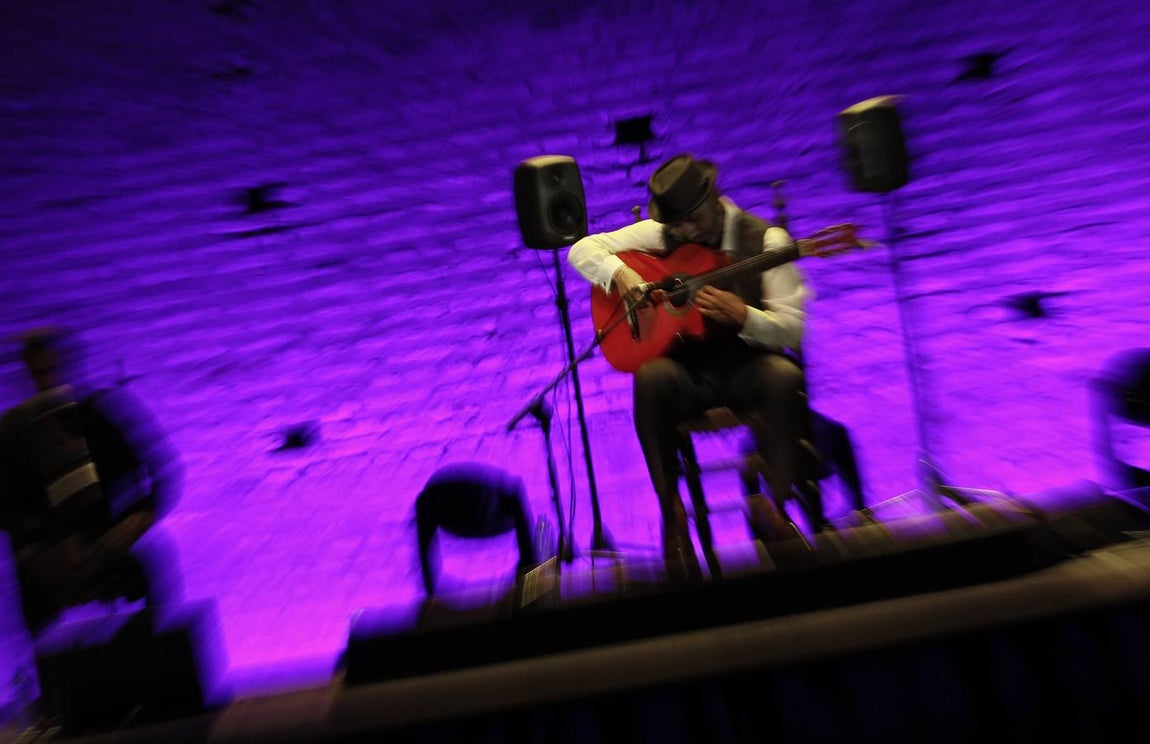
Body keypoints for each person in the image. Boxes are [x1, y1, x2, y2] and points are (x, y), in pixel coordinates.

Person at [568, 153, 813, 580]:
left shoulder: (766, 240)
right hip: (688, 376)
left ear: (715, 197)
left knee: (786, 376)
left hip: (745, 370)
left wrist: (746, 318)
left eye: (693, 219)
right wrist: (621, 275)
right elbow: (581, 249)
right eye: (677, 223)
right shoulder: (662, 233)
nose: (685, 230)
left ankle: (773, 504)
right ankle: (673, 515)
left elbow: (792, 331)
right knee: (650, 379)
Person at [0, 326, 183, 636]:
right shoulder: (14, 432)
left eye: (51, 369)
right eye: (39, 371)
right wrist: (42, 547)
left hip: (105, 542)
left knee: (146, 578)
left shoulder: (99, 414)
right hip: (48, 558)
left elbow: (161, 469)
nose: (47, 379)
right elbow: (6, 506)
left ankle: (154, 652)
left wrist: (142, 514)